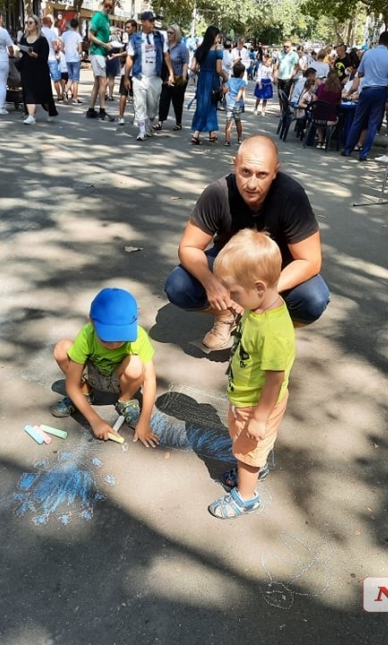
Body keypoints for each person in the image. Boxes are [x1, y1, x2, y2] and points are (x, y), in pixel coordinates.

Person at [164, 135, 330, 349]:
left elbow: (310, 260)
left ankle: (264, 324)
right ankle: (227, 313)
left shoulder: (291, 196)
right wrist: (211, 283)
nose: (252, 184)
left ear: (275, 172)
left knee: (314, 299)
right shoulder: (217, 193)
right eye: (245, 172)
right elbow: (189, 247)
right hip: (230, 264)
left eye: (262, 175)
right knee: (178, 286)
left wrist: (267, 294)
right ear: (235, 165)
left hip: (276, 267)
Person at [206, 229, 295, 519]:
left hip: (257, 404)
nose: (230, 297)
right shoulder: (258, 307)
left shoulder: (273, 331)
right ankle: (254, 467)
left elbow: (275, 379)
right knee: (246, 444)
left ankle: (246, 496)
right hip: (245, 396)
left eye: (234, 292)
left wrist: (259, 417)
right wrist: (239, 305)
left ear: (259, 287)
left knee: (247, 447)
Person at [51, 288, 158, 448]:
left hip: (119, 379)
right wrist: (95, 421)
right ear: (92, 322)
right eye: (107, 339)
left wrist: (144, 421)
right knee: (62, 348)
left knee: (136, 364)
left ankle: (126, 400)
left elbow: (150, 379)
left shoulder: (139, 335)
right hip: (93, 375)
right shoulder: (87, 335)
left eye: (121, 338)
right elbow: (71, 385)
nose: (114, 345)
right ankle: (85, 392)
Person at [341, 31, 388, 162]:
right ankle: (364, 153)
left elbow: (360, 73)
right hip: (381, 91)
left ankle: (348, 149)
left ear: (378, 40)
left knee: (357, 120)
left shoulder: (368, 53)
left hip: (366, 90)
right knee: (373, 124)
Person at [125, 10, 172, 142]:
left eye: (153, 21)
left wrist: (171, 73)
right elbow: (130, 58)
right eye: (150, 21)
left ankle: (149, 123)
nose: (153, 23)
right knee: (139, 105)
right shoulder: (135, 39)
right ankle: (141, 131)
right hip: (139, 77)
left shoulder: (160, 37)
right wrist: (126, 77)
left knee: (152, 108)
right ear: (143, 22)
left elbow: (166, 55)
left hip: (155, 78)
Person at [18, 14, 58, 124]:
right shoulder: (24, 38)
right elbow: (21, 51)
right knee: (29, 92)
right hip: (26, 69)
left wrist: (34, 55)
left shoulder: (42, 40)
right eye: (27, 23)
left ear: (36, 25)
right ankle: (31, 116)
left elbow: (44, 58)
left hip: (40, 71)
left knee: (44, 94)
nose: (28, 25)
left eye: (30, 22)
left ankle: (50, 111)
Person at [189, 25, 225, 145]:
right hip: (213, 79)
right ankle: (198, 134)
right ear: (213, 36)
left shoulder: (199, 49)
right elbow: (219, 69)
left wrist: (201, 73)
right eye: (218, 35)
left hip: (202, 79)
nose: (219, 38)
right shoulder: (217, 49)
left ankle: (210, 133)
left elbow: (193, 67)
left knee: (202, 105)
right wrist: (226, 78)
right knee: (211, 105)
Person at [86, 0, 116, 121]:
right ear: (103, 4)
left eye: (111, 6)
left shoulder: (106, 18)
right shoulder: (98, 16)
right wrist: (104, 45)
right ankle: (102, 111)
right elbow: (90, 36)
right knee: (103, 81)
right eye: (107, 5)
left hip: (101, 53)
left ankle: (91, 109)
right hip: (97, 52)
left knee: (97, 83)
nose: (108, 8)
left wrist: (112, 32)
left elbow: (104, 33)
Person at [156, 23, 190, 131]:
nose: (169, 35)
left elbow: (185, 63)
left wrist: (183, 77)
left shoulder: (182, 47)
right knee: (163, 99)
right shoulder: (165, 45)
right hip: (166, 77)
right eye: (168, 32)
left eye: (171, 33)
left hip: (179, 77)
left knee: (177, 101)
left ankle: (178, 122)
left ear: (176, 34)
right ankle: (160, 122)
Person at [113, 19, 137, 126]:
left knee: (135, 96)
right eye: (126, 27)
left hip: (134, 71)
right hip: (127, 71)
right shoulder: (126, 39)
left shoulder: (136, 39)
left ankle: (135, 117)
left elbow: (128, 53)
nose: (126, 29)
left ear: (134, 28)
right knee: (124, 94)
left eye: (128, 27)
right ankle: (121, 117)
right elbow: (123, 51)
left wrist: (118, 55)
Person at [313, 69, 341, 149]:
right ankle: (326, 141)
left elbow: (315, 96)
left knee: (322, 116)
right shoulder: (337, 90)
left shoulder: (321, 86)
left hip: (316, 117)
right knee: (338, 119)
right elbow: (339, 102)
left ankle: (320, 140)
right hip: (330, 119)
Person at [40, 15, 63, 102]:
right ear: (48, 22)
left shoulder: (39, 32)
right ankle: (59, 96)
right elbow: (55, 47)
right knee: (56, 79)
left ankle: (43, 96)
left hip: (42, 58)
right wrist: (58, 48)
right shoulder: (51, 33)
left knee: (43, 78)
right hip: (52, 57)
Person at [223, 61, 246, 146]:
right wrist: (238, 97)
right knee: (238, 121)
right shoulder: (242, 82)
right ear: (242, 73)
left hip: (229, 104)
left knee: (229, 121)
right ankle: (239, 138)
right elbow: (241, 90)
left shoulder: (230, 80)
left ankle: (227, 139)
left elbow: (225, 90)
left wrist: (223, 87)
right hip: (237, 105)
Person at [62, 18, 83, 104]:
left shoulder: (64, 34)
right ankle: (75, 98)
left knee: (70, 77)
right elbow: (80, 49)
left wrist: (66, 53)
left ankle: (65, 91)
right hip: (75, 58)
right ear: (77, 26)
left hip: (67, 58)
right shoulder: (78, 35)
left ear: (70, 25)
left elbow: (62, 47)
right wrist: (79, 53)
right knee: (76, 80)